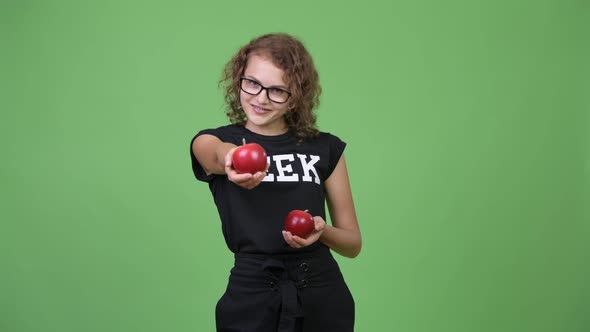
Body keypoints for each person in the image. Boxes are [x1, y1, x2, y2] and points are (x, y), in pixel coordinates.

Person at [190, 33, 361, 332]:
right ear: (239, 78)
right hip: (251, 295)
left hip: (322, 294)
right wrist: (234, 159)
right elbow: (214, 154)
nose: (260, 98)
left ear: (297, 96)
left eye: (277, 90)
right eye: (252, 83)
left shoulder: (326, 148)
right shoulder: (218, 140)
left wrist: (320, 231)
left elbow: (352, 244)